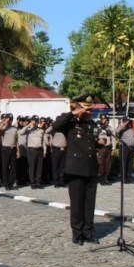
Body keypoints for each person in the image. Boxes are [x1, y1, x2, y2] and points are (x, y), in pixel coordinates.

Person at [52, 94, 104, 245]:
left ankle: (88, 232)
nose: (89, 112)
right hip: (75, 169)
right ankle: (77, 233)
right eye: (86, 109)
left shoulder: (92, 124)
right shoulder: (70, 123)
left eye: (90, 109)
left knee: (89, 203)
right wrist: (74, 112)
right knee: (77, 203)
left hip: (91, 168)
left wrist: (100, 143)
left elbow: (91, 144)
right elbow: (56, 126)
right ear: (79, 108)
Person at [22, 115, 46, 189]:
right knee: (32, 167)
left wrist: (44, 151)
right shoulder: (29, 130)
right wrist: (29, 124)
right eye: (34, 120)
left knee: (39, 167)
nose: (35, 122)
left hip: (40, 150)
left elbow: (43, 141)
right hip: (32, 150)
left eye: (36, 121)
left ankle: (38, 182)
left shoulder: (41, 130)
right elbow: (21, 132)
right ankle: (32, 183)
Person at [0, 113, 17, 190]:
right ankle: (6, 183)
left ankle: (11, 183)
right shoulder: (3, 127)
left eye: (11, 120)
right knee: (5, 167)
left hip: (13, 148)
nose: (10, 121)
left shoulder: (15, 128)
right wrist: (4, 123)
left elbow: (16, 140)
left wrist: (18, 151)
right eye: (9, 119)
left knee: (13, 167)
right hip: (5, 149)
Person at [46, 116, 67, 188]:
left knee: (63, 167)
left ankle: (62, 181)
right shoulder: (54, 129)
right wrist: (53, 125)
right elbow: (46, 131)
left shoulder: (65, 129)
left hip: (64, 149)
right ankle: (56, 182)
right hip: (56, 150)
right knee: (55, 167)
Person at [115, 117, 134, 184]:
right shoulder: (121, 128)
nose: (128, 122)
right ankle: (123, 178)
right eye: (127, 121)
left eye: (129, 121)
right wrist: (124, 124)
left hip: (131, 148)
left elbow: (133, 139)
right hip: (124, 147)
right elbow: (116, 131)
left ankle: (129, 177)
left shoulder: (130, 129)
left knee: (130, 164)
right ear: (124, 121)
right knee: (124, 164)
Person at [97, 114, 114, 186]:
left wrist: (113, 148)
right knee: (101, 164)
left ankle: (106, 178)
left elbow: (113, 138)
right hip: (101, 148)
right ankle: (101, 179)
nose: (104, 120)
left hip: (108, 147)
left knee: (108, 164)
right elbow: (95, 137)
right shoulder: (98, 128)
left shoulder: (110, 128)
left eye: (106, 119)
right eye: (103, 119)